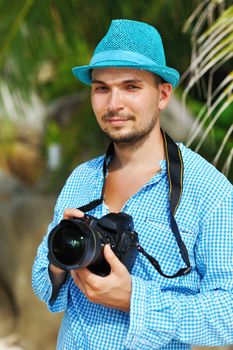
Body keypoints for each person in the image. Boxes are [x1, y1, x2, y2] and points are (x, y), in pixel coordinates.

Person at [32, 19, 233, 350]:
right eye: (102, 88)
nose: (114, 104)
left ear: (163, 94)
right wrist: (59, 261)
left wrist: (135, 300)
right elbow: (43, 282)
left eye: (131, 86)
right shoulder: (81, 178)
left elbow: (228, 314)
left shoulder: (210, 192)